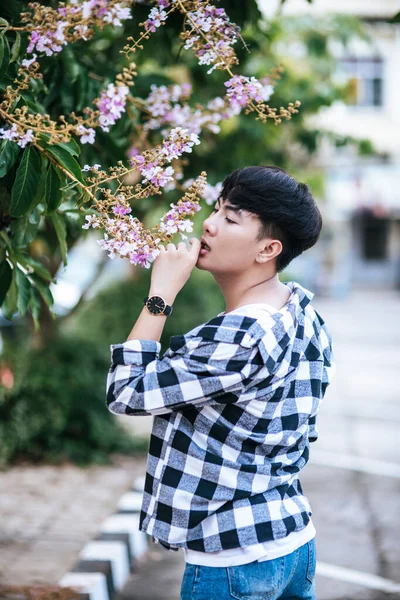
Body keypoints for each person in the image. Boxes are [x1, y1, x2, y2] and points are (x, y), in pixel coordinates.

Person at [106, 165, 336, 600]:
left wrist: (161, 294)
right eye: (216, 209)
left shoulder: (240, 334)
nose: (208, 224)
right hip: (292, 540)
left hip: (235, 560)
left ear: (268, 248)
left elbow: (126, 392)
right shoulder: (302, 312)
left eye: (231, 218)